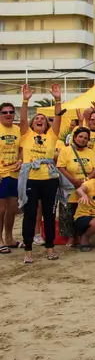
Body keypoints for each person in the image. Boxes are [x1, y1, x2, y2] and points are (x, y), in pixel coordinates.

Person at [18, 84, 63, 263]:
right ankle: (28, 250)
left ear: (46, 124)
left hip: (49, 179)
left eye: (42, 119)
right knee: (29, 215)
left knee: (49, 214)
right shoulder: (26, 134)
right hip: (31, 179)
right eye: (36, 118)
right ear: (32, 122)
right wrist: (25, 100)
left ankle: (50, 248)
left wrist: (58, 100)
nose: (39, 120)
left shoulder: (52, 136)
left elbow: (58, 118)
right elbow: (22, 120)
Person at [57, 127, 95, 246]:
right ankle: (71, 237)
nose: (83, 140)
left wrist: (86, 180)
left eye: (85, 138)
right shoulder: (66, 151)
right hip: (69, 187)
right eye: (80, 137)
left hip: (85, 187)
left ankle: (81, 236)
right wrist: (74, 180)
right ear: (75, 137)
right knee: (68, 214)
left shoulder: (90, 152)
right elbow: (61, 167)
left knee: (83, 214)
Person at [0, 101, 21, 253]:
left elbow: (21, 149)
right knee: (1, 209)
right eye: (4, 112)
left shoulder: (17, 130)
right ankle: (0, 240)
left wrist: (20, 159)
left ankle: (9, 238)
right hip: (1, 174)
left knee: (12, 208)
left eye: (11, 112)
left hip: (14, 173)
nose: (8, 114)